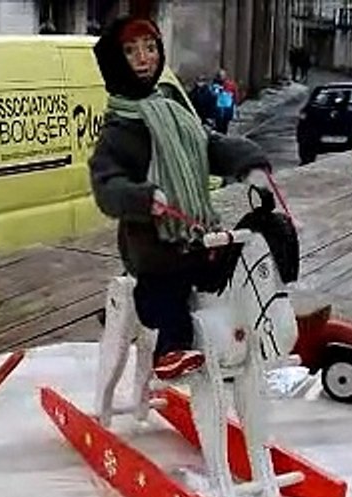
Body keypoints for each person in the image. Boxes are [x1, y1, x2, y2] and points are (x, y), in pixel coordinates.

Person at [89, 17, 271, 381]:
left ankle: (247, 336)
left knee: (241, 266)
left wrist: (248, 161)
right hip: (154, 243)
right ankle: (170, 350)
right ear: (115, 60)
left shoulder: (172, 105)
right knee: (165, 291)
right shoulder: (119, 128)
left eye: (151, 48)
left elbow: (207, 144)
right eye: (131, 51)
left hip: (200, 232)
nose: (144, 58)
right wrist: (141, 197)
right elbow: (106, 187)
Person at [212, 69, 240, 134]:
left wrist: (236, 106)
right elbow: (212, 95)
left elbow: (235, 95)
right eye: (219, 76)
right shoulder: (215, 85)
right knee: (218, 123)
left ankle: (223, 134)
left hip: (227, 108)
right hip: (218, 108)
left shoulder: (231, 85)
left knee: (225, 123)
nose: (221, 77)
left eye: (222, 76)